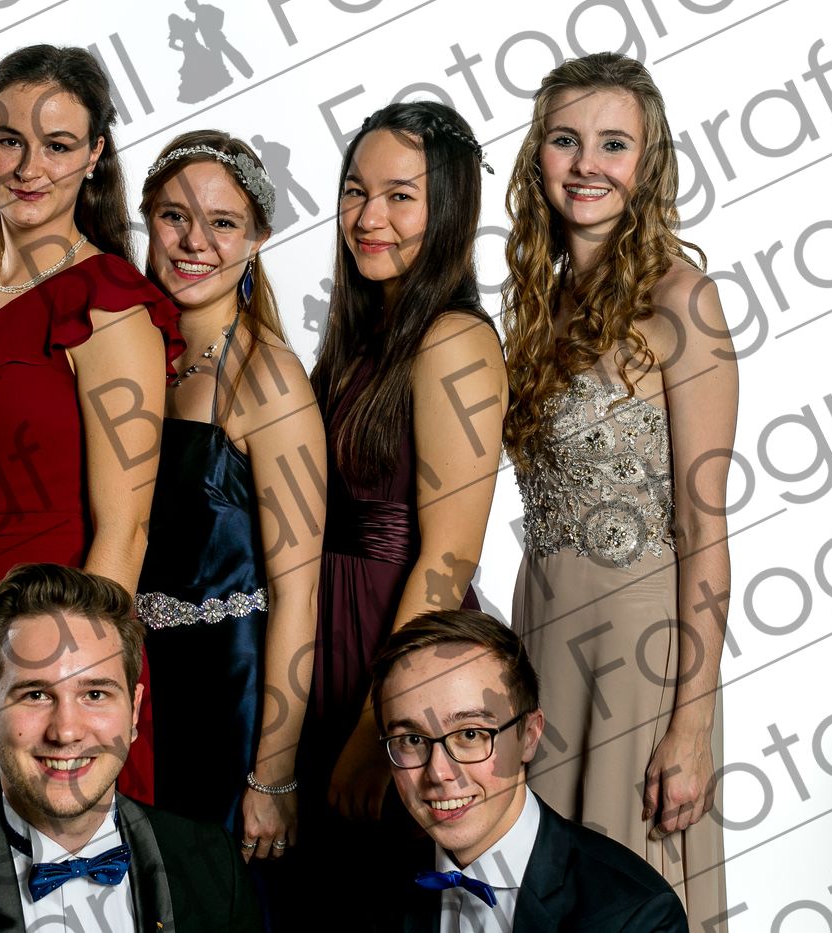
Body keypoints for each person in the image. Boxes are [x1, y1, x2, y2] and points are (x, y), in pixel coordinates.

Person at [0, 44, 183, 833]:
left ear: (94, 156)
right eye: (8, 140)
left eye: (57, 145)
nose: (29, 168)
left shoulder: (111, 306)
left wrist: (71, 684)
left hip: (46, 651)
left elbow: (125, 530)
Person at [502, 52, 735, 925]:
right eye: (565, 139)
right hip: (540, 629)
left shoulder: (683, 299)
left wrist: (691, 725)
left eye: (613, 143)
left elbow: (705, 530)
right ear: (538, 156)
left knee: (623, 891)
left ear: (648, 162)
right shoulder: (542, 304)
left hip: (640, 652)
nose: (586, 164)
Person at [299, 101, 507, 924]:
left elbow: (449, 557)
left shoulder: (453, 339)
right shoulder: (362, 334)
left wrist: (378, 726)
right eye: (356, 191)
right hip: (328, 634)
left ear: (447, 211)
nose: (368, 217)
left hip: (399, 648)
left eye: (400, 197)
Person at [0, 563, 262, 932]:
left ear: (134, 712)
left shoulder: (215, 865)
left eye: (95, 694)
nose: (65, 732)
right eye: (36, 695)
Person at [134, 132, 324, 869]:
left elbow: (299, 593)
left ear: (257, 239)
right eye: (174, 217)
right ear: (146, 221)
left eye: (222, 223)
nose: (195, 242)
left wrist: (272, 771)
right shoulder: (135, 354)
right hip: (133, 685)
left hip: (225, 694)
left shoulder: (269, 379)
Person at [369, 610, 690, 932]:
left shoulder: (637, 914)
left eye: (470, 734)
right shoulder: (366, 886)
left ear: (530, 736)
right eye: (412, 740)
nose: (438, 773)